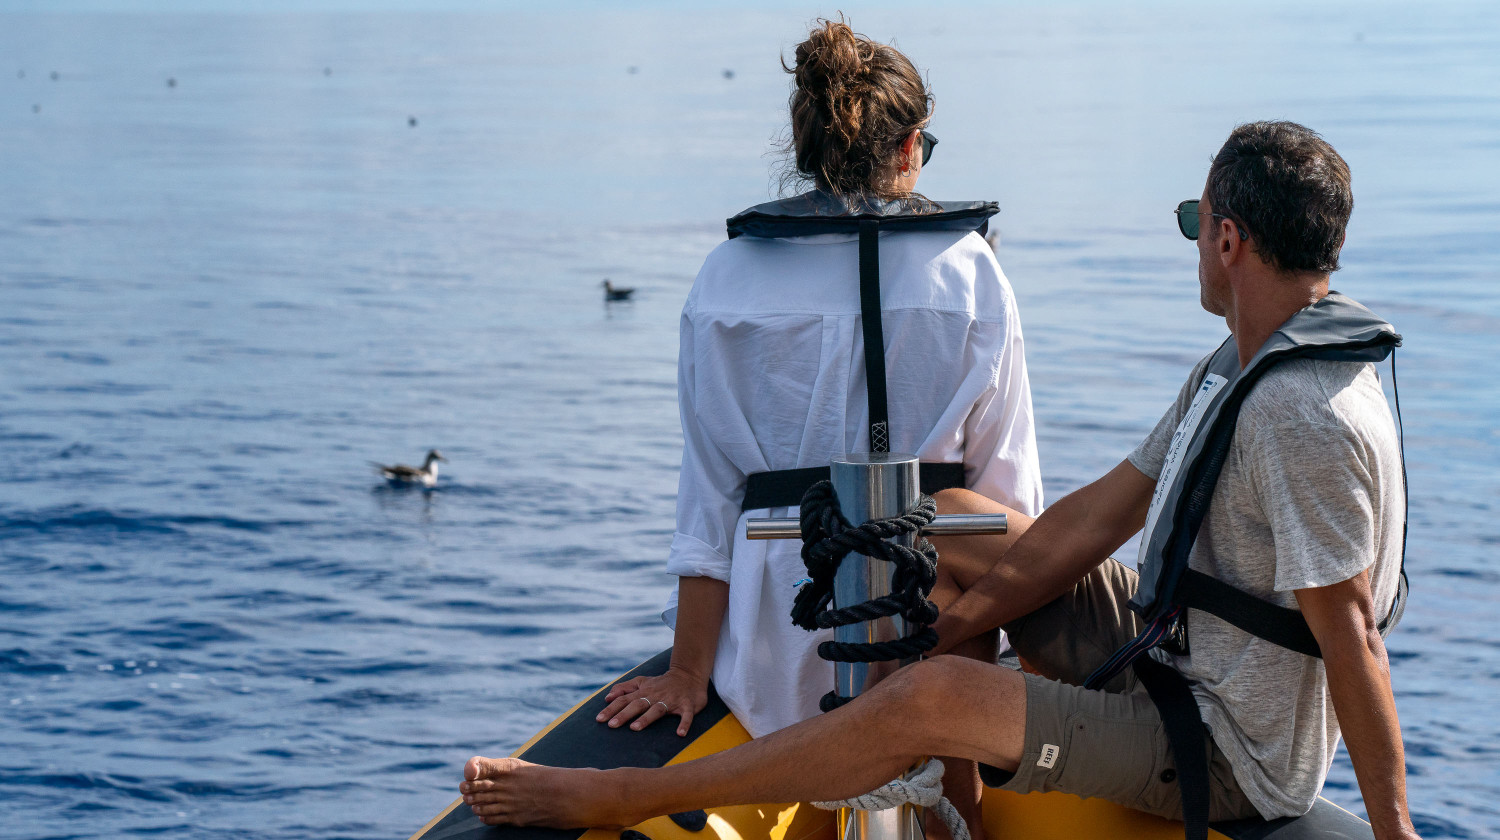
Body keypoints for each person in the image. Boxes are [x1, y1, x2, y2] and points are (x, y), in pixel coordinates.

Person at [457, 121, 1419, 840]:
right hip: (1182, 646)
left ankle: (624, 794)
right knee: (946, 519)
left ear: (1228, 240)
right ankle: (931, 745)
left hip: (1227, 743)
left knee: (933, 700)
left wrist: (1396, 832)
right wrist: (944, 625)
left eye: (1190, 222)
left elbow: (1353, 645)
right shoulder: (1236, 366)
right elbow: (1091, 519)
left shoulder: (1305, 417)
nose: (1191, 244)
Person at [587, 19, 1043, 836]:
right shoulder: (973, 272)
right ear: (908, 149)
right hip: (932, 613)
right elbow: (1008, 496)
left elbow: (711, 494)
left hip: (780, 633)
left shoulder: (726, 279)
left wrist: (691, 669)